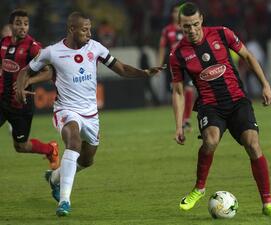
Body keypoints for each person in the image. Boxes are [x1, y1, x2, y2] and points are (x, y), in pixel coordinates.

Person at [16, 11, 164, 217]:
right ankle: (64, 201)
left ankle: (55, 178)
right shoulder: (52, 52)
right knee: (73, 142)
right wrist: (20, 88)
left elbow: (120, 68)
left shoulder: (96, 48)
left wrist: (144, 73)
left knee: (86, 160)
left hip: (91, 114)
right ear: (71, 29)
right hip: (66, 110)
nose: (89, 32)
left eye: (89, 28)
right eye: (84, 29)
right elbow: (26, 71)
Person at [170, 2, 271, 216]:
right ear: (179, 26)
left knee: (253, 144)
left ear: (201, 19)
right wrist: (178, 126)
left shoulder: (222, 34)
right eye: (186, 27)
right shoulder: (178, 54)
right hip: (210, 105)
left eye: (194, 24)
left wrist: (265, 85)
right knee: (210, 141)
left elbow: (248, 57)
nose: (191, 30)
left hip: (237, 101)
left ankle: (267, 203)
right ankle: (199, 188)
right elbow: (178, 92)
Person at [0, 9, 59, 170]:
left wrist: (28, 81)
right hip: (2, 99)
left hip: (21, 104)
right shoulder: (4, 43)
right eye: (18, 23)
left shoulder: (32, 48)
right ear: (11, 25)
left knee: (21, 146)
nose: (23, 27)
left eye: (26, 24)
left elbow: (49, 72)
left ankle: (50, 149)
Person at [158, 2, 194, 131]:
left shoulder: (188, 27)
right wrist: (159, 65)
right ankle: (180, 121)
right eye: (174, 11)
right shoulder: (167, 30)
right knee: (178, 92)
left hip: (188, 63)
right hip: (174, 66)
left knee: (189, 90)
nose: (176, 14)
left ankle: (187, 120)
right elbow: (162, 48)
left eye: (178, 11)